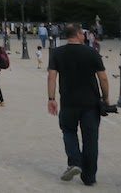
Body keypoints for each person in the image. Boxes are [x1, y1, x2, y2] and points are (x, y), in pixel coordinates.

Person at [47, 24, 110, 187]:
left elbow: (51, 77)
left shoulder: (57, 53)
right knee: (91, 140)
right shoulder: (91, 52)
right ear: (78, 34)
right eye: (83, 33)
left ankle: (75, 161)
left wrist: (51, 98)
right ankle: (89, 177)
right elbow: (103, 77)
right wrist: (106, 97)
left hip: (68, 102)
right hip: (90, 103)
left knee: (68, 131)